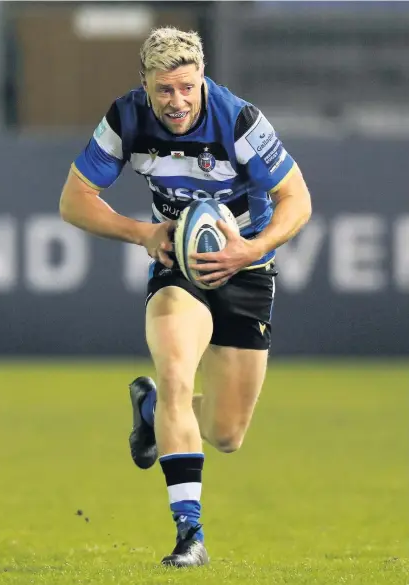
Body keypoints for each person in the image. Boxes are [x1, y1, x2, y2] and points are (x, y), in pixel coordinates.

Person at [60, 26, 312, 567]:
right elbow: (75, 201)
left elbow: (297, 198)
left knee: (226, 433)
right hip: (176, 264)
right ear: (145, 86)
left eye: (186, 88)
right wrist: (144, 233)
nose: (176, 102)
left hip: (245, 268)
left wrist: (252, 249)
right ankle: (189, 535)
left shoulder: (238, 120)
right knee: (177, 374)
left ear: (203, 80)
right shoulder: (126, 117)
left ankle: (150, 410)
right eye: (163, 90)